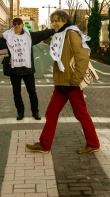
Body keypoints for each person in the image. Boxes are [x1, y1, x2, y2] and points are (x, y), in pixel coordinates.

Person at [26, 10, 100, 154]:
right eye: (52, 20)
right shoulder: (60, 35)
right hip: (61, 83)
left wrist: (76, 80)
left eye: (57, 20)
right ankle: (44, 145)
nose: (54, 23)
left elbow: (83, 58)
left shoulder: (72, 34)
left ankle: (93, 143)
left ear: (65, 20)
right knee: (51, 113)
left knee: (81, 114)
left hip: (71, 83)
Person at [0, 17, 55, 120]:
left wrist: (55, 30)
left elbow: (43, 33)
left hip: (28, 70)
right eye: (15, 24)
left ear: (22, 25)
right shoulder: (8, 38)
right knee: (16, 93)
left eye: (19, 24)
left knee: (32, 92)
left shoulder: (30, 36)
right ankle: (20, 113)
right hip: (15, 70)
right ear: (13, 26)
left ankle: (35, 112)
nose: (17, 25)